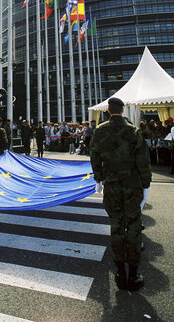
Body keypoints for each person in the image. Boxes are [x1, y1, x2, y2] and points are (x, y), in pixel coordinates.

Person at [90, 97, 151, 291]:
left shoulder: (100, 131)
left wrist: (98, 178)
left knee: (116, 225)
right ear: (123, 110)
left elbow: (95, 156)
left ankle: (120, 272)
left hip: (112, 184)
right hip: (132, 184)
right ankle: (133, 274)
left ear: (108, 110)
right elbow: (143, 159)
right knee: (133, 226)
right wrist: (146, 182)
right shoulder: (133, 131)